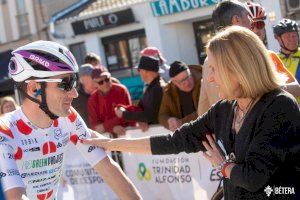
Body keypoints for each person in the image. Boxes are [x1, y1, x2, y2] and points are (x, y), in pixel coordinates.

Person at [83, 26, 300, 200]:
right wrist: (109, 144)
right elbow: (172, 142)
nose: (211, 79)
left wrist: (223, 165)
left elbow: (253, 178)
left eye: (214, 69)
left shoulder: (279, 107)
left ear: (237, 69)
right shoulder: (225, 110)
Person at [0, 40, 141, 200]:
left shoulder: (68, 118)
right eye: (65, 84)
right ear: (34, 89)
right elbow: (15, 197)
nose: (74, 93)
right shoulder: (5, 131)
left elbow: (108, 168)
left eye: (73, 82)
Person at [198, 0, 299, 116]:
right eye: (249, 18)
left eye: (260, 24)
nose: (254, 27)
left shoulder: (208, 61)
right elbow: (204, 103)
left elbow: (203, 104)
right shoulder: (257, 55)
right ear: (236, 20)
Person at [115, 56, 166, 132]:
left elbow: (150, 116)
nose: (139, 72)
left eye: (139, 70)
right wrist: (140, 120)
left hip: (162, 133)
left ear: (146, 71)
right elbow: (140, 108)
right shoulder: (151, 87)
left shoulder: (158, 88)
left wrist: (124, 114)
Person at [88, 66, 132, 136]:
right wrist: (112, 128)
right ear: (95, 83)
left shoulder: (121, 90)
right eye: (100, 82)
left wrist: (104, 126)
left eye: (107, 79)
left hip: (126, 133)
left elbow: (128, 115)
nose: (105, 83)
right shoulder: (92, 99)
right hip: (106, 139)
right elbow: (95, 127)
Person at [159, 61, 202, 131]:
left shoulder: (204, 80)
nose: (187, 82)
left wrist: (181, 122)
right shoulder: (169, 91)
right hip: (188, 135)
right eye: (182, 81)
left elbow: (206, 109)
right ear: (174, 83)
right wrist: (169, 121)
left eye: (188, 77)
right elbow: (162, 114)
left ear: (190, 72)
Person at [273, 19, 300, 83]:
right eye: (287, 36)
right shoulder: (274, 60)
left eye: (294, 35)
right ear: (278, 38)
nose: (292, 39)